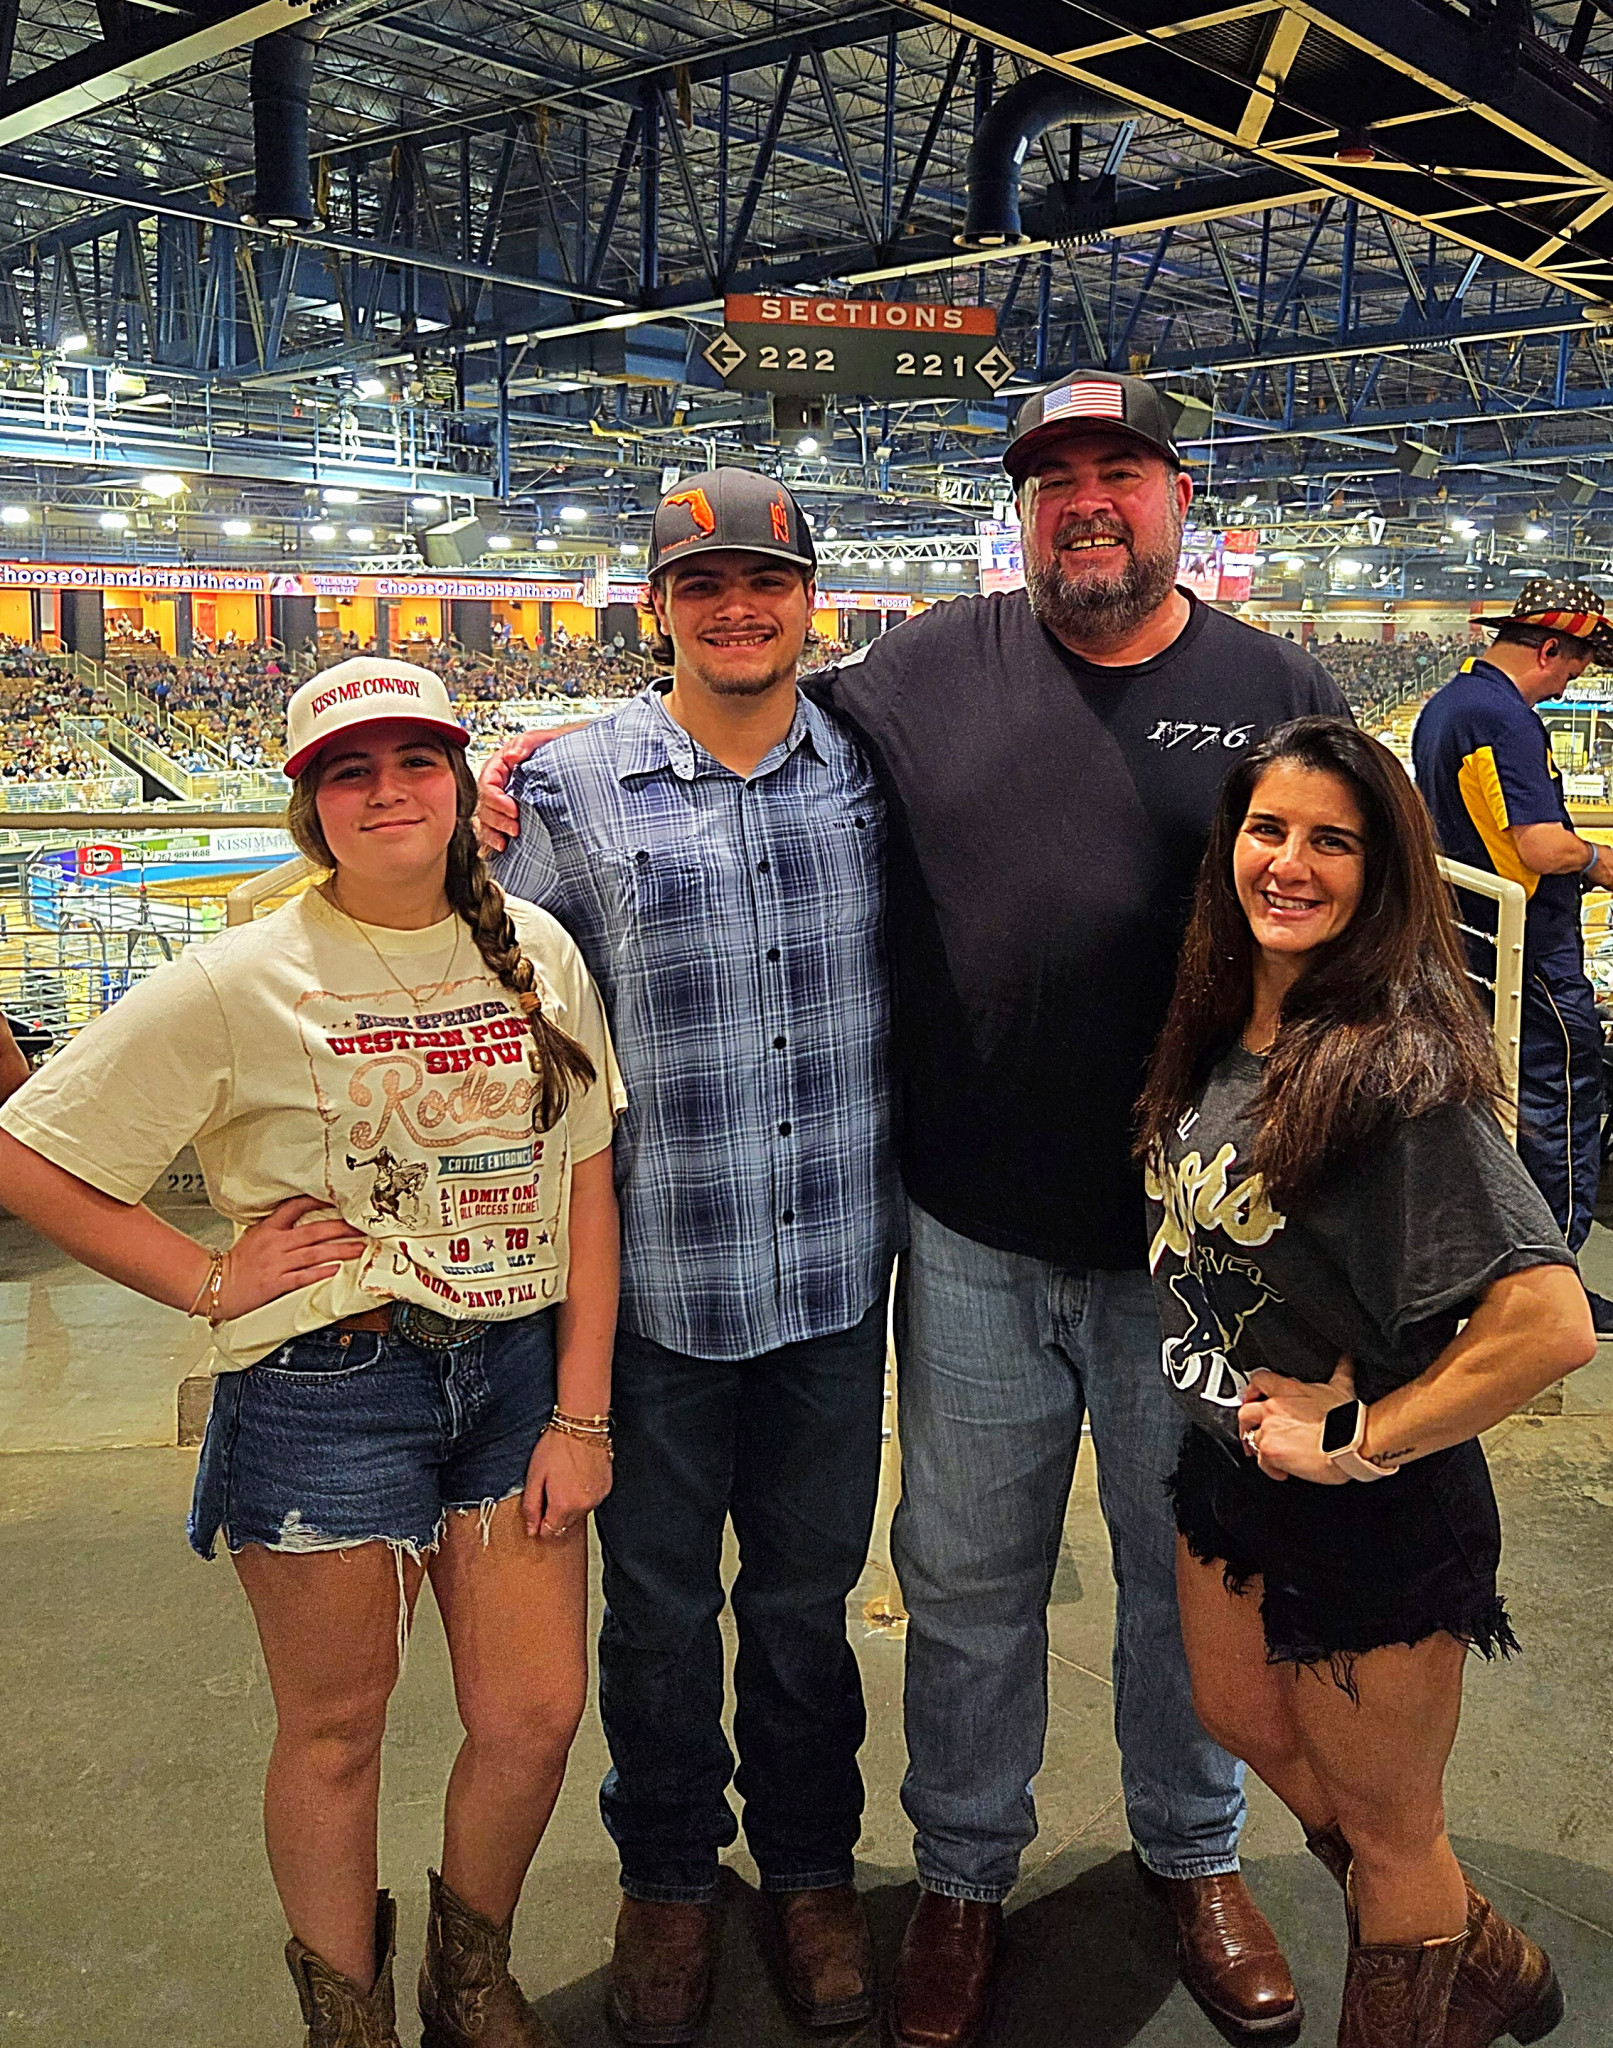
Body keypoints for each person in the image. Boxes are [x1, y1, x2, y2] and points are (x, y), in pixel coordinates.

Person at [479, 380, 1347, 2046]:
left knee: (1184, 1576)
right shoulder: (929, 667)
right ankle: (957, 1878)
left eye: (1117, 472)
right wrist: (511, 766)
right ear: (1020, 512)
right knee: (959, 1582)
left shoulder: (1276, 687)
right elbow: (719, 713)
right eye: (1052, 478)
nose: (1084, 501)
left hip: (1193, 1249)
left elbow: (1355, 909)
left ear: (1176, 494)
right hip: (962, 1234)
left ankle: (1191, 1852)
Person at [0, 656, 626, 2048]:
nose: (387, 790)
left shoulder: (537, 948)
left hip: (513, 1376)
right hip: (325, 1388)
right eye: (352, 770)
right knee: (337, 1731)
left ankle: (470, 1974)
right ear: (312, 807)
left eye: (414, 762)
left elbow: (586, 1182)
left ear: (458, 785)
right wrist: (207, 1278)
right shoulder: (239, 975)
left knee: (532, 1714)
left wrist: (581, 1415)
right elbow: (31, 1153)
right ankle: (349, 2020)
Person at [481, 470, 899, 2042]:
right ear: (655, 606)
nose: (737, 608)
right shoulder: (570, 789)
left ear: (809, 602)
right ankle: (666, 1876)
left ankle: (807, 1870)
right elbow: (490, 991)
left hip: (832, 1279)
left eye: (764, 581)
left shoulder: (872, 770)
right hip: (650, 1295)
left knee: (804, 1605)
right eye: (701, 584)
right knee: (655, 1619)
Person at [1136, 714, 1591, 2047]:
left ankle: (1429, 1971)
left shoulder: (1394, 1066)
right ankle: (1481, 1952)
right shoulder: (1228, 1024)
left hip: (1372, 1514)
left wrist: (1360, 1436)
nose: (1287, 863)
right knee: (1237, 1714)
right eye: (1267, 830)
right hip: (1232, 1470)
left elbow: (1546, 1322)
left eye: (1330, 842)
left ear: (1381, 872)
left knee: (1392, 1839)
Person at [1412, 582, 1613, 1326]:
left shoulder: (1448, 706)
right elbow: (1540, 846)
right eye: (1576, 666)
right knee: (1561, 1102)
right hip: (1533, 954)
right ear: (1549, 649)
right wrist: (1596, 859)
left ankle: (1501, 1275)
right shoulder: (1503, 717)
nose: (1572, 683)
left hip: (1474, 941)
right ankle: (1552, 1287)